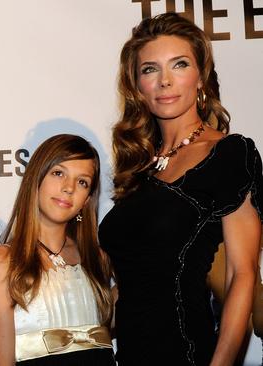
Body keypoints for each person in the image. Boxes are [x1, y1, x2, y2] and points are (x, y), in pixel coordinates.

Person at [98, 12, 262, 365]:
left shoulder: (229, 154)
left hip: (185, 350)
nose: (165, 81)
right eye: (150, 69)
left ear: (200, 78)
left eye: (179, 65)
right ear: (137, 86)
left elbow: (242, 274)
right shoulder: (137, 167)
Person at [0, 134, 115, 366]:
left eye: (82, 182)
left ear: (87, 200)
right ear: (36, 179)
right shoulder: (4, 261)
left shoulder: (97, 259)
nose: (68, 188)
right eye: (58, 173)